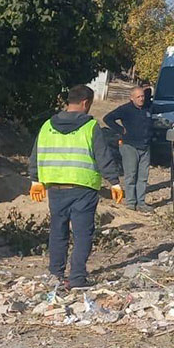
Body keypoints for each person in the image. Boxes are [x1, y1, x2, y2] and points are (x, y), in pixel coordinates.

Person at [28, 85, 123, 290]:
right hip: (83, 188)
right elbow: (103, 156)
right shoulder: (90, 127)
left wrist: (35, 180)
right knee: (82, 234)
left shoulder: (47, 126)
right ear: (86, 103)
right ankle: (77, 277)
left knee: (58, 231)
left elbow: (36, 154)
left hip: (55, 188)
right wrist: (114, 182)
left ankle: (55, 274)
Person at [103, 85, 153, 211]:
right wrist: (120, 130)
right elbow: (107, 118)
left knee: (143, 177)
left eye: (143, 96)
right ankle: (131, 203)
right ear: (132, 98)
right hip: (129, 146)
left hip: (145, 147)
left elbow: (163, 107)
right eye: (138, 97)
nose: (141, 99)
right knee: (131, 175)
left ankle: (141, 203)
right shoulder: (125, 109)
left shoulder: (148, 107)